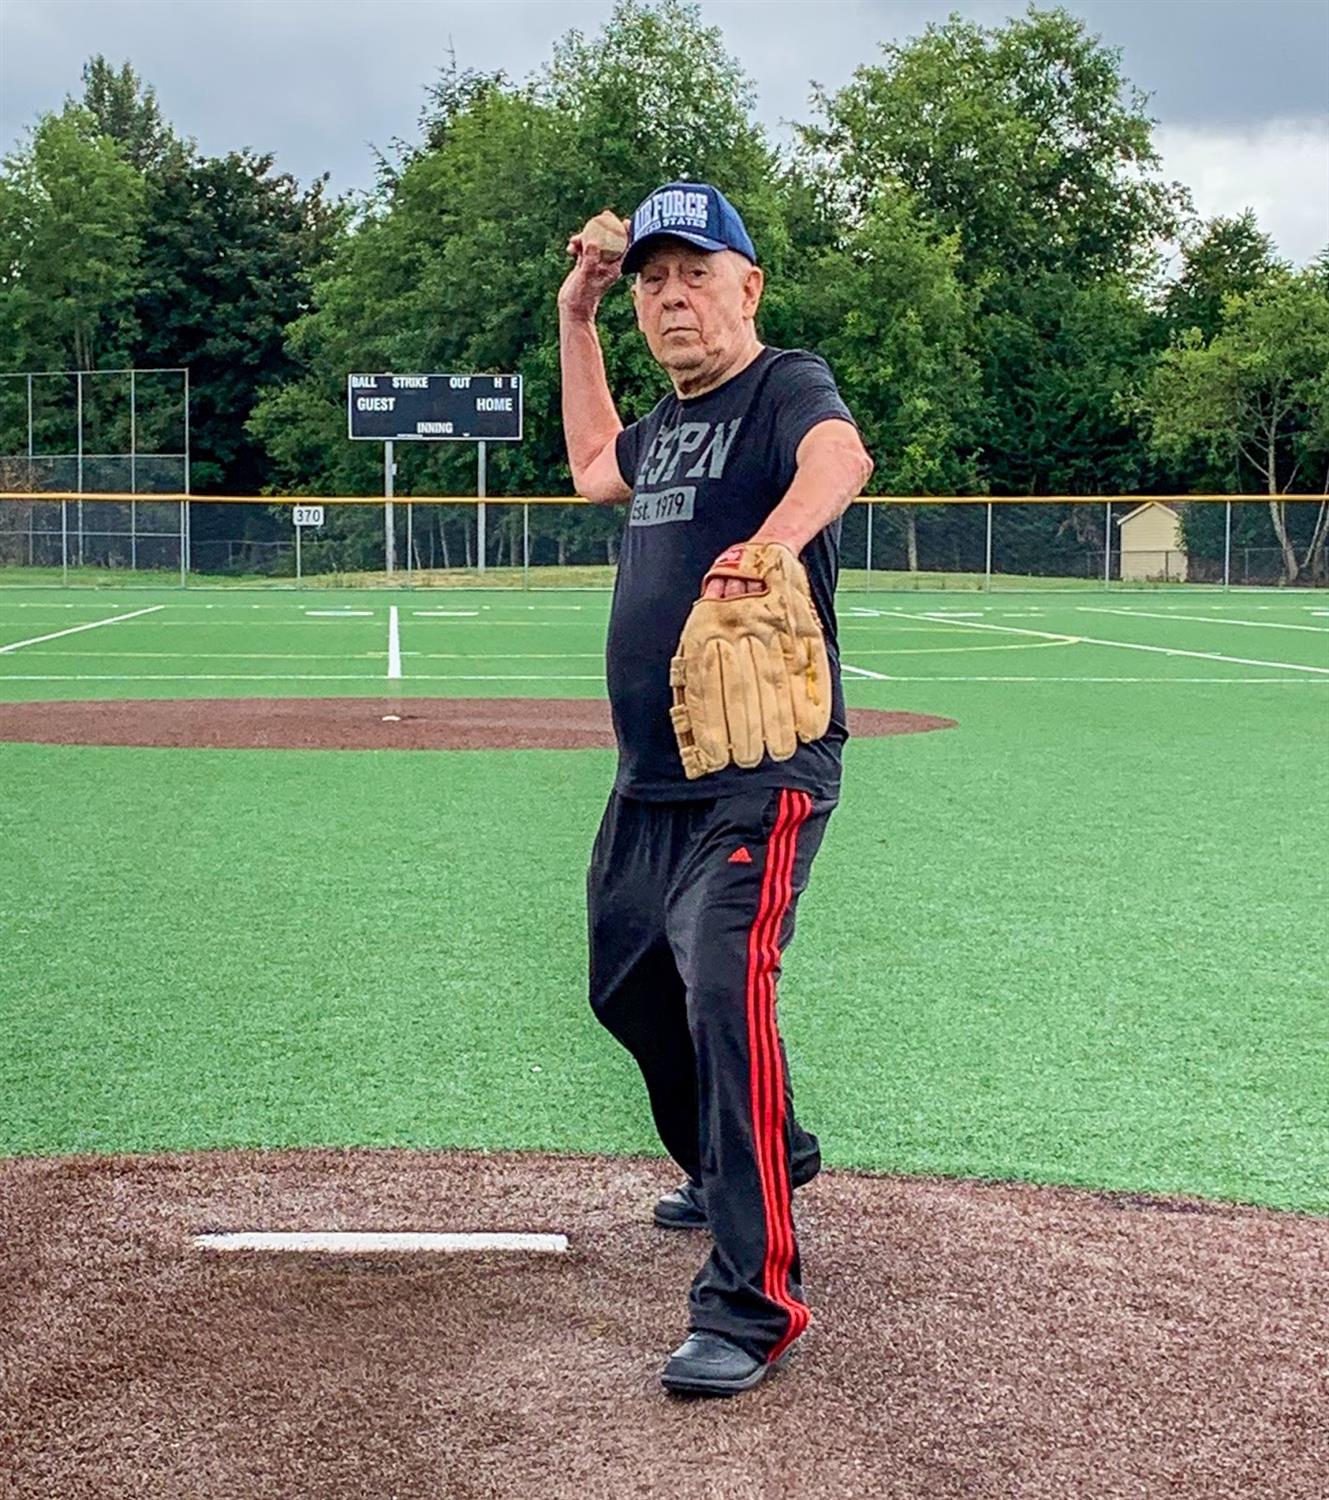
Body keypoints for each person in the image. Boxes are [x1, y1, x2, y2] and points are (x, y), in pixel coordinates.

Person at [557, 181, 872, 1397]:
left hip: (758, 776)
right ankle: (761, 1151)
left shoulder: (783, 384)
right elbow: (593, 465)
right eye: (653, 280)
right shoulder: (666, 419)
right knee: (628, 987)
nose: (673, 296)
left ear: (747, 288)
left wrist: (770, 545)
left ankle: (750, 1304)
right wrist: (576, 314)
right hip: (649, 783)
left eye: (696, 273)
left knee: (722, 999)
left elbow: (840, 455)